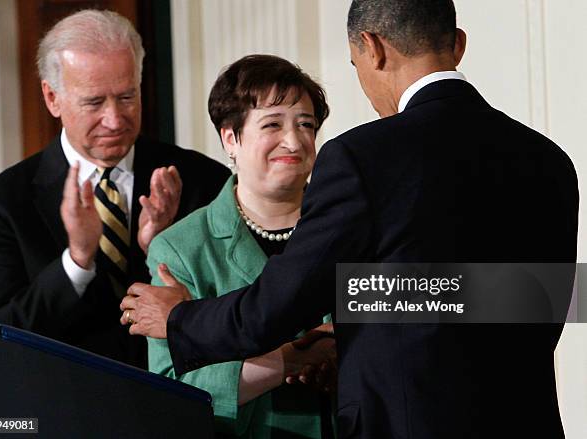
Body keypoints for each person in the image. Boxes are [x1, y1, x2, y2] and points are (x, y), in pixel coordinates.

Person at [121, 1, 579, 437]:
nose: (294, 141)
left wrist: (181, 318)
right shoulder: (551, 161)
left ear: (373, 47)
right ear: (457, 44)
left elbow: (274, 308)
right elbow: (525, 299)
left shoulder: (364, 156)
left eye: (305, 124)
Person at [0, 9, 229, 369]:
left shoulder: (202, 180)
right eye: (94, 102)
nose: (114, 119)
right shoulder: (1, 204)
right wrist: (77, 260)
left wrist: (163, 249)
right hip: (61, 409)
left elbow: (236, 309)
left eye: (127, 97)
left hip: (181, 403)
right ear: (52, 98)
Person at [145, 54, 335, 438]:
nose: (294, 140)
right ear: (230, 138)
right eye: (272, 124)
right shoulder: (180, 248)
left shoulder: (349, 227)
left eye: (306, 125)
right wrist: (286, 363)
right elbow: (170, 388)